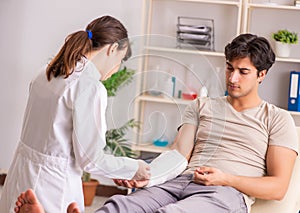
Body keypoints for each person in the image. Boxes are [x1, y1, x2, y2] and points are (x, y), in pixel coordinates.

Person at [12, 33, 299, 213]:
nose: (233, 78)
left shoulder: (277, 118)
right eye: (229, 68)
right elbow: (177, 154)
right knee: (120, 206)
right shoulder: (203, 105)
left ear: (262, 75)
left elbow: (278, 187)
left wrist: (225, 178)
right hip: (179, 181)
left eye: (243, 72)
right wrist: (145, 175)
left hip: (224, 193)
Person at [0, 15, 150, 213]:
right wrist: (135, 168)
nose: (115, 70)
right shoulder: (89, 87)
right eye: (120, 60)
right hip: (53, 186)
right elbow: (90, 158)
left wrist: (116, 168)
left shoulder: (47, 71)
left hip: (20, 175)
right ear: (112, 49)